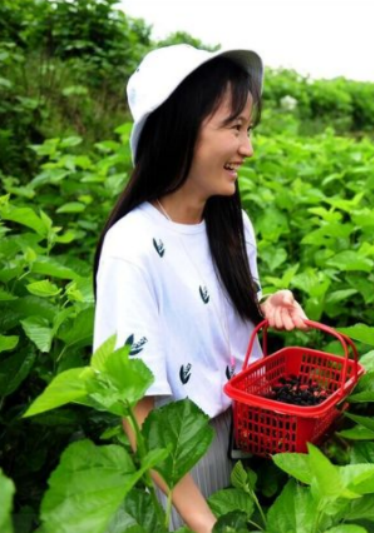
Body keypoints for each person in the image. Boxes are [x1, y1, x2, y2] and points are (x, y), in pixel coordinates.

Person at [92, 44, 308, 532]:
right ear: (181, 128)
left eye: (249, 129)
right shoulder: (134, 245)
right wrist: (201, 521)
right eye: (234, 128)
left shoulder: (233, 225)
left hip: (249, 437)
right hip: (183, 464)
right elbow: (137, 407)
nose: (247, 148)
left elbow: (211, 309)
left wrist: (262, 304)